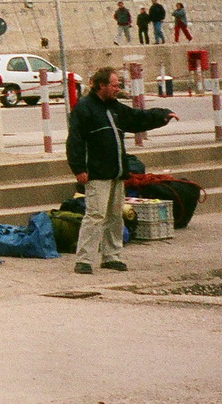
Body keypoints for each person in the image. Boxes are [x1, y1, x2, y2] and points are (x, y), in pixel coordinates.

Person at [65, 67, 175, 274]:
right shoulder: (84, 108)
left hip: (116, 172)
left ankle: (111, 257)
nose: (118, 89)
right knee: (95, 216)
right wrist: (79, 168)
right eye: (114, 85)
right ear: (102, 86)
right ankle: (84, 260)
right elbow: (75, 141)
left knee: (115, 216)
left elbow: (136, 118)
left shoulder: (114, 107)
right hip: (96, 173)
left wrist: (162, 115)